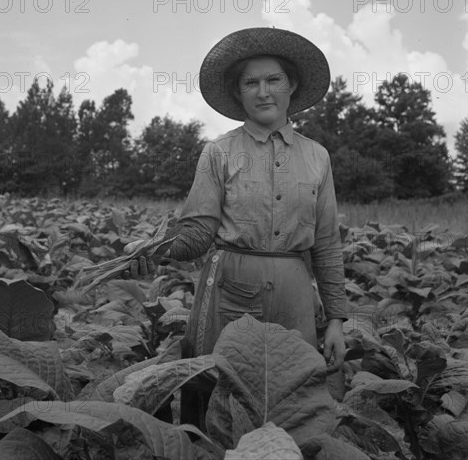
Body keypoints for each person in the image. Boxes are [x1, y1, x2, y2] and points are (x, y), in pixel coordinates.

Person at [129, 27, 347, 423]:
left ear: (292, 85)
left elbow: (328, 243)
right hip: (230, 294)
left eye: (273, 80)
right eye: (251, 83)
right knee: (218, 396)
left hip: (293, 297)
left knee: (291, 400)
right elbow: (198, 233)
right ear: (238, 93)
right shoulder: (219, 152)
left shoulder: (317, 157)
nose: (263, 91)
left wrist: (335, 319)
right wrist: (157, 250)